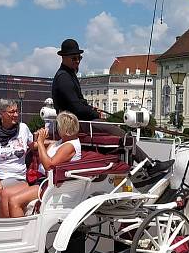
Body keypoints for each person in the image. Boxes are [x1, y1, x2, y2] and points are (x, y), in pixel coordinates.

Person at [50, 38, 171, 175]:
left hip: (76, 120)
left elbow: (79, 102)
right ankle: (149, 165)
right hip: (75, 123)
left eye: (79, 58)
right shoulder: (64, 78)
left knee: (117, 131)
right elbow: (76, 106)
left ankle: (139, 164)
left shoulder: (67, 75)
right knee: (120, 132)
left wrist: (91, 109)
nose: (77, 61)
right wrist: (95, 114)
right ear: (64, 58)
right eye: (74, 58)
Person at [6, 112, 82, 218]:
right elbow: (38, 146)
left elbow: (49, 166)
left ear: (63, 129)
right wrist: (40, 140)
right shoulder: (62, 141)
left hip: (50, 184)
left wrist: (41, 142)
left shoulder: (70, 146)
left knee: (14, 201)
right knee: (5, 194)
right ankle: (6, 230)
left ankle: (22, 233)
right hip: (40, 180)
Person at [0, 99, 33, 218]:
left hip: (14, 176)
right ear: (1, 114)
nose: (16, 115)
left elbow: (33, 144)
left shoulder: (23, 128)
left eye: (16, 111)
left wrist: (51, 143)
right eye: (11, 112)